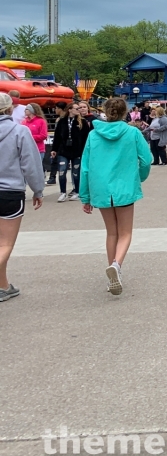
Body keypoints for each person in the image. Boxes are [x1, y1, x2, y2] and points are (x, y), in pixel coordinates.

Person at [79, 97, 151, 296]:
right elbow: (146, 160)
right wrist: (140, 177)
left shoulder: (93, 135)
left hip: (101, 188)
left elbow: (85, 167)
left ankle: (113, 271)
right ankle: (116, 266)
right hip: (125, 186)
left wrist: (85, 196)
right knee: (125, 232)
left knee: (111, 233)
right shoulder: (132, 133)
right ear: (124, 112)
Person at [0, 92, 45, 302]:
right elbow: (31, 164)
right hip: (10, 191)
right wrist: (38, 190)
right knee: (5, 244)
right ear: (11, 108)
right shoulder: (20, 131)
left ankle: (4, 286)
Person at [52, 101, 92, 201]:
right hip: (63, 151)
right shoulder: (61, 121)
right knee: (62, 171)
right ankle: (62, 192)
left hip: (77, 151)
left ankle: (77, 192)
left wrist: (85, 151)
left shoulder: (83, 122)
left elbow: (86, 137)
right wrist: (54, 149)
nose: (79, 110)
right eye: (76, 108)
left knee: (76, 173)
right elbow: (57, 136)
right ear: (70, 110)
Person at [46, 102, 68, 185]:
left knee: (60, 163)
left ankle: (54, 177)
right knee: (54, 161)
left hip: (62, 144)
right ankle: (52, 177)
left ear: (60, 109)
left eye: (56, 108)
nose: (55, 110)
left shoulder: (64, 120)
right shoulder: (58, 119)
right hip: (58, 143)